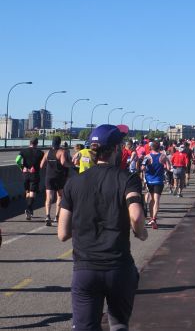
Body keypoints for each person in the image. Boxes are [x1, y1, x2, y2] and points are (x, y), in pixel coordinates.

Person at [58, 124, 147, 331]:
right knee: (118, 325)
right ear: (117, 149)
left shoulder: (74, 183)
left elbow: (62, 233)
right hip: (118, 268)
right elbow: (136, 215)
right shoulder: (128, 179)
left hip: (85, 269)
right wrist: (140, 232)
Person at [40, 136, 71, 226]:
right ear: (59, 143)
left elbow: (41, 165)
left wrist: (49, 167)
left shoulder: (47, 152)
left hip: (49, 177)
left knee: (49, 197)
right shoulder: (62, 152)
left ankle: (47, 216)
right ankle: (56, 217)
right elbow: (63, 163)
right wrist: (72, 165)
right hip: (59, 177)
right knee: (60, 196)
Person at [142, 141, 170, 229]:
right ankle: (154, 218)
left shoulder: (147, 156)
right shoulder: (163, 156)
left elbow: (142, 168)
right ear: (159, 148)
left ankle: (151, 218)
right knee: (156, 199)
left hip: (149, 181)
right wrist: (163, 167)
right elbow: (169, 168)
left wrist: (146, 168)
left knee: (151, 199)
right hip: (159, 180)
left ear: (151, 148)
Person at [16, 137, 44, 220]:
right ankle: (29, 208)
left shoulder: (23, 151)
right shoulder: (40, 153)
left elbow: (17, 160)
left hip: (25, 174)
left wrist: (22, 167)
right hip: (34, 174)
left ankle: (29, 210)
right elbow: (43, 163)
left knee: (27, 191)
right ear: (37, 143)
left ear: (29, 142)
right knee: (33, 192)